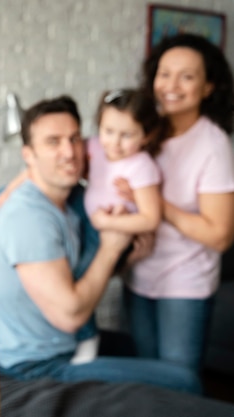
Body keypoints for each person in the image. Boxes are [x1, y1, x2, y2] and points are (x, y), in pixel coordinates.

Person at [0, 95, 201, 393]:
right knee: (184, 381)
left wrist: (130, 257)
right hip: (34, 366)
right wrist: (111, 249)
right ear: (28, 154)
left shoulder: (71, 201)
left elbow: (77, 278)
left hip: (64, 345)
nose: (70, 152)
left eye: (74, 138)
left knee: (138, 348)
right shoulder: (29, 218)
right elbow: (69, 315)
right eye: (53, 142)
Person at [120, 33, 234, 372]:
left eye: (187, 76)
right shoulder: (145, 130)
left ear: (208, 87)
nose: (172, 85)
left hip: (185, 282)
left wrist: (154, 203)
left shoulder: (213, 145)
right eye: (164, 73)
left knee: (178, 381)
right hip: (138, 274)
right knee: (145, 376)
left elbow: (220, 236)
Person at [85, 88, 165, 236]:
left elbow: (150, 219)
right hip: (89, 226)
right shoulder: (94, 147)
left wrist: (107, 222)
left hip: (119, 232)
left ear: (146, 136)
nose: (115, 142)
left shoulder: (141, 166)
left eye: (127, 135)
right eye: (108, 131)